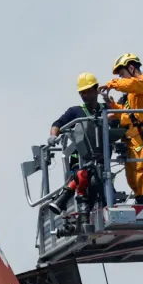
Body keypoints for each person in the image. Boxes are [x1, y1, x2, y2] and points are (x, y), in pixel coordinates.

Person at [47, 72, 116, 215]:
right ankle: (73, 203)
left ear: (96, 90)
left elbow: (120, 125)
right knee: (84, 177)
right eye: (81, 93)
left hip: (102, 159)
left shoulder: (107, 109)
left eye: (87, 91)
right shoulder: (75, 111)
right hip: (80, 159)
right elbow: (58, 124)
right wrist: (53, 136)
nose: (84, 95)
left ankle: (103, 205)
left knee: (102, 186)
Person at [102, 53, 143, 204]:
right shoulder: (132, 94)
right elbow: (130, 115)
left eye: (122, 74)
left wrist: (112, 84)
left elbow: (130, 85)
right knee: (133, 176)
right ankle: (142, 200)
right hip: (133, 139)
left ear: (131, 68)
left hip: (142, 139)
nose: (122, 78)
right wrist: (114, 107)